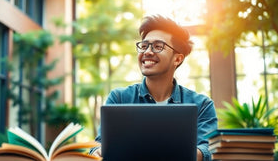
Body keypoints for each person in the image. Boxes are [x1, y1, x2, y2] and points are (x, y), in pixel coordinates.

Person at [90, 14, 218, 161]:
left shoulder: (202, 105)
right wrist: (97, 151)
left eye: (158, 46)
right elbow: (98, 145)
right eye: (144, 46)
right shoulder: (119, 98)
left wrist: (177, 153)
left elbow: (208, 150)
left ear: (177, 59)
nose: (147, 52)